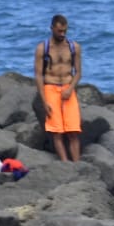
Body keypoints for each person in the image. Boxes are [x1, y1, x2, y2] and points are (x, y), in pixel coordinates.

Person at [34, 14, 82, 161]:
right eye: (59, 31)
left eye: (65, 31)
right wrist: (44, 101)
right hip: (50, 88)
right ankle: (65, 164)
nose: (62, 34)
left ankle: (77, 164)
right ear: (52, 28)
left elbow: (78, 72)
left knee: (73, 131)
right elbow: (38, 76)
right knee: (57, 132)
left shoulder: (74, 47)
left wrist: (70, 89)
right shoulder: (43, 48)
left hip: (68, 87)